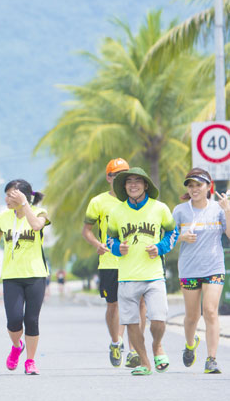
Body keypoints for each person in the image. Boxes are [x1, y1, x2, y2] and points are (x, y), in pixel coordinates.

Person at [106, 167, 178, 376]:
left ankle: (156, 346)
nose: (133, 185)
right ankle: (145, 362)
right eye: (129, 182)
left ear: (146, 185)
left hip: (154, 275)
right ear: (124, 186)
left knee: (158, 320)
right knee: (131, 323)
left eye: (138, 181)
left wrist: (161, 248)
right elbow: (110, 239)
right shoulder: (117, 212)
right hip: (127, 277)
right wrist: (117, 248)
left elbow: (173, 232)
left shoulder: (160, 208)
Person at [82, 158, 146, 368]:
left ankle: (134, 349)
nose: (120, 179)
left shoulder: (138, 200)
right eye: (115, 175)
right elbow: (87, 231)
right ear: (108, 178)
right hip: (109, 262)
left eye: (124, 175)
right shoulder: (98, 202)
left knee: (139, 304)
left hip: (136, 262)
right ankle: (116, 342)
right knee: (114, 305)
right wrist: (97, 244)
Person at [0, 179, 50, 375]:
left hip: (36, 275)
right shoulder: (4, 217)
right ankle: (16, 345)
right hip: (12, 276)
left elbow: (37, 226)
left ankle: (30, 361)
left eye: (11, 195)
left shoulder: (39, 213)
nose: (6, 199)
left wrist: (25, 205)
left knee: (32, 320)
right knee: (13, 321)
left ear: (23, 196)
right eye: (6, 195)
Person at [172, 168, 227, 374]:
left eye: (199, 185)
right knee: (192, 316)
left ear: (208, 187)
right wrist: (182, 237)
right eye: (191, 185)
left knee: (211, 312)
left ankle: (211, 359)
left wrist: (228, 211)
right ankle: (189, 344)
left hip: (214, 267)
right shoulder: (179, 211)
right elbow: (167, 239)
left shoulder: (219, 209)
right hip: (189, 269)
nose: (194, 189)